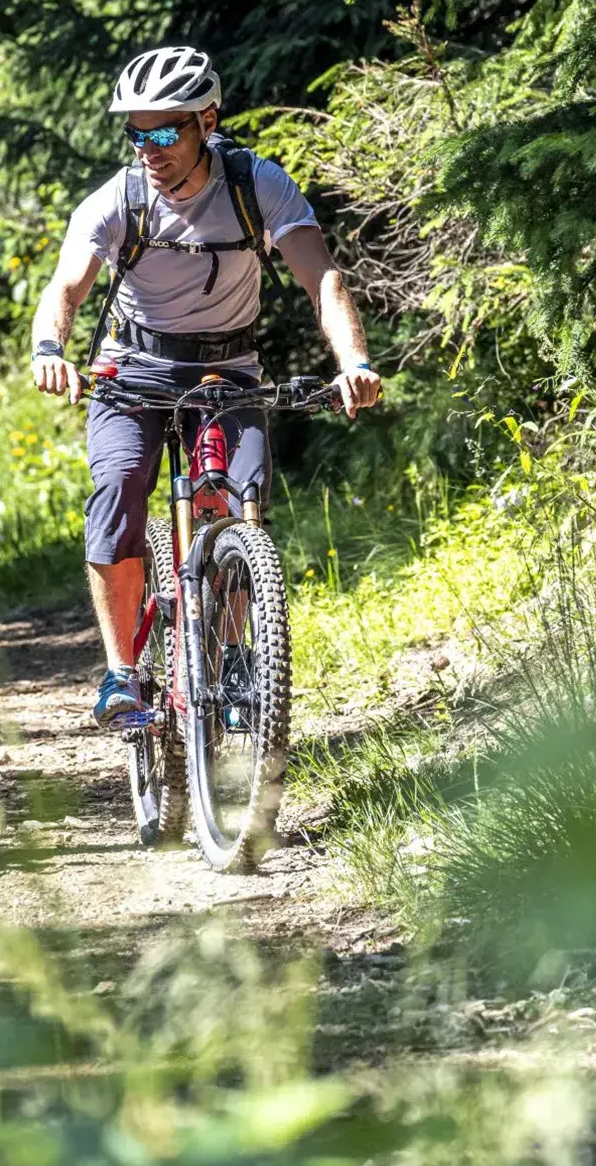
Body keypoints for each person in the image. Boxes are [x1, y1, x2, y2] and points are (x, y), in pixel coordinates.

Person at [30, 45, 383, 726]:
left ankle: (234, 653)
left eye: (165, 131)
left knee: (241, 498)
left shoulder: (257, 185)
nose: (148, 149)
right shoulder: (119, 200)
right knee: (120, 487)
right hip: (132, 370)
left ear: (207, 121)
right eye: (135, 133)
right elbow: (65, 288)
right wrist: (51, 349)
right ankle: (121, 674)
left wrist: (354, 363)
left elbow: (323, 278)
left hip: (228, 369)